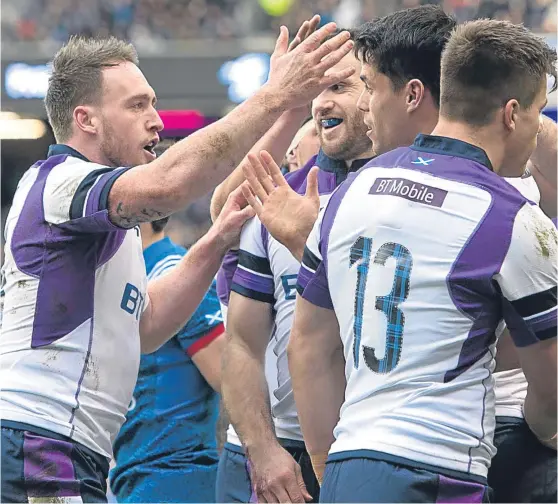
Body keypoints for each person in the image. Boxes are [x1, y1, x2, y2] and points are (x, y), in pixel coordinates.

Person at [0, 23, 356, 502]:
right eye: (137, 105)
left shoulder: (111, 223)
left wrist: (217, 239)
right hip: (36, 440)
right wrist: (275, 96)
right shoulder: (60, 181)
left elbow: (145, 326)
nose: (157, 120)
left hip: (66, 446)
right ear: (86, 119)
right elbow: (170, 184)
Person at [242, 6, 558, 502]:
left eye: (367, 86)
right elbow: (552, 384)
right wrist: (544, 431)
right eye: (537, 114)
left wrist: (328, 467)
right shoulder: (511, 215)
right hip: (442, 467)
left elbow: (308, 347)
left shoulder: (348, 194)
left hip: (352, 460)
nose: (366, 107)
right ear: (514, 114)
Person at [216, 29, 377, 503]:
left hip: (366, 444)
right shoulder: (277, 195)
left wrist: (316, 242)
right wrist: (263, 451)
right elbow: (242, 341)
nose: (322, 103)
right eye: (315, 91)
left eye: (340, 87)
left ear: (377, 91)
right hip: (272, 447)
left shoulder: (402, 192)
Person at [110, 215, 225, 501]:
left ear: (144, 214)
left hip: (174, 478)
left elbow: (232, 377)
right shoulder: (122, 276)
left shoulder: (173, 273)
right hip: (132, 478)